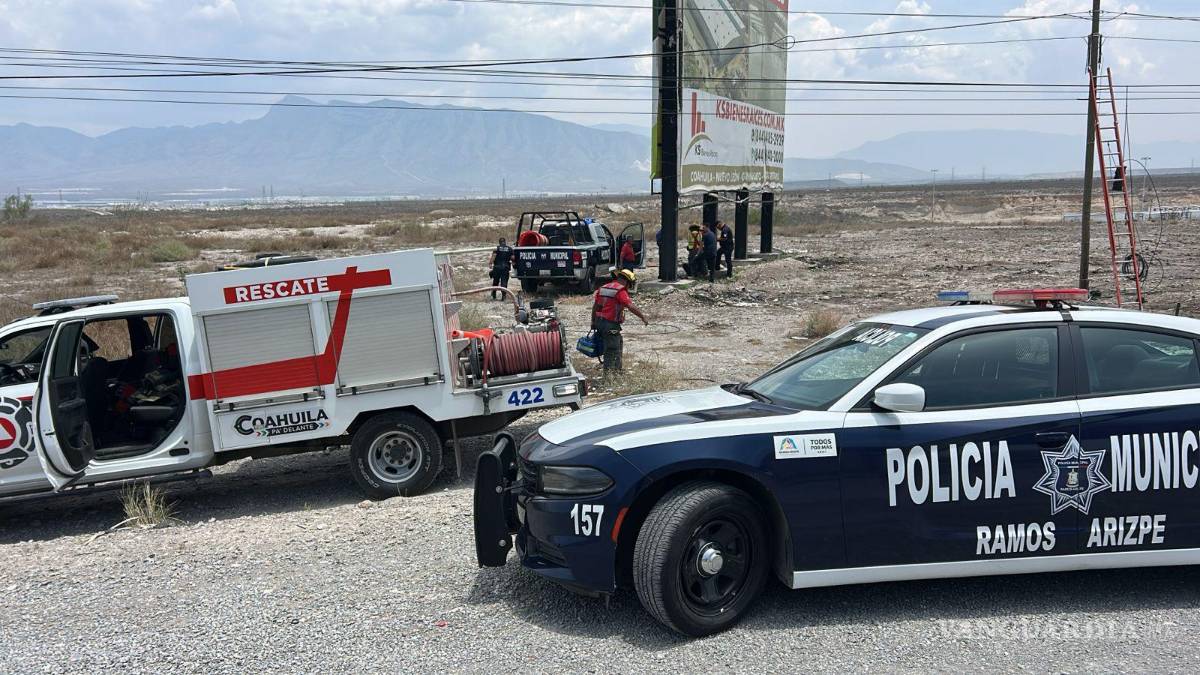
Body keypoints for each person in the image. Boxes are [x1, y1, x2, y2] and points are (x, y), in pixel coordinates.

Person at [592, 269, 649, 375]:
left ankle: (617, 370)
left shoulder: (604, 288)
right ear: (627, 281)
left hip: (600, 322)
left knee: (617, 342)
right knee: (612, 349)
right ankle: (610, 376)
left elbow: (596, 306)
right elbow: (630, 306)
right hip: (610, 324)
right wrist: (643, 317)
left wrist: (593, 322)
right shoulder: (620, 290)